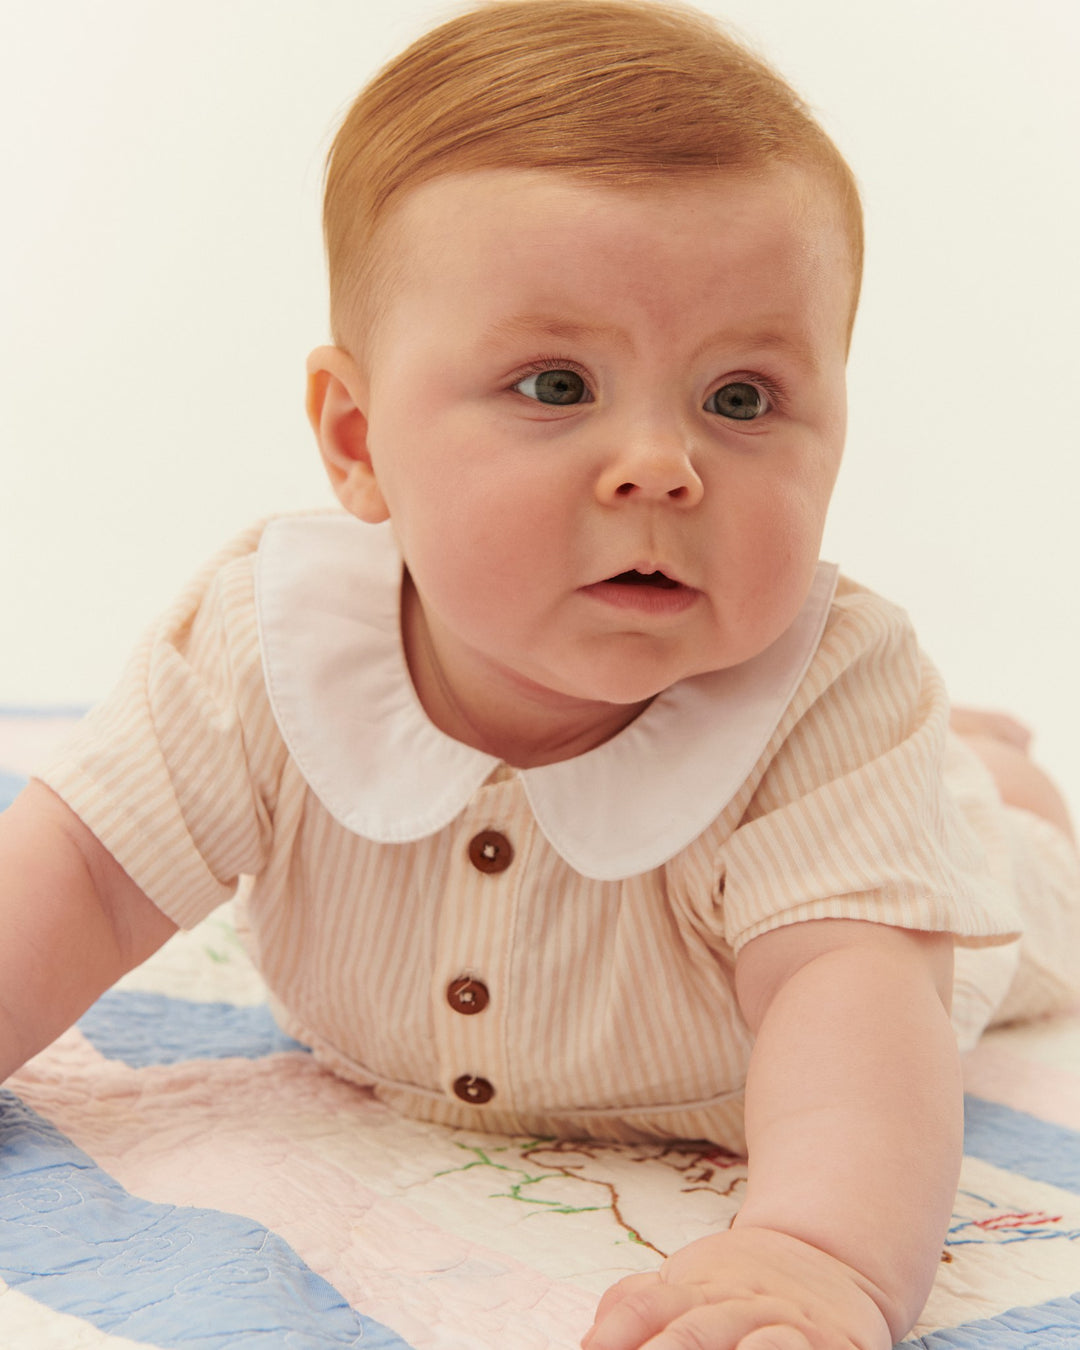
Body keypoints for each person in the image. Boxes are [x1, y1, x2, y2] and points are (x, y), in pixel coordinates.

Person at [1, 2, 1077, 1346]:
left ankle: (995, 777)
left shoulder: (826, 702)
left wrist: (814, 1255)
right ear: (358, 439)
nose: (661, 466)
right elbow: (83, 872)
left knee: (1014, 860)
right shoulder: (267, 645)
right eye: (556, 385)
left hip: (915, 895)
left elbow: (849, 1001)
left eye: (740, 398)